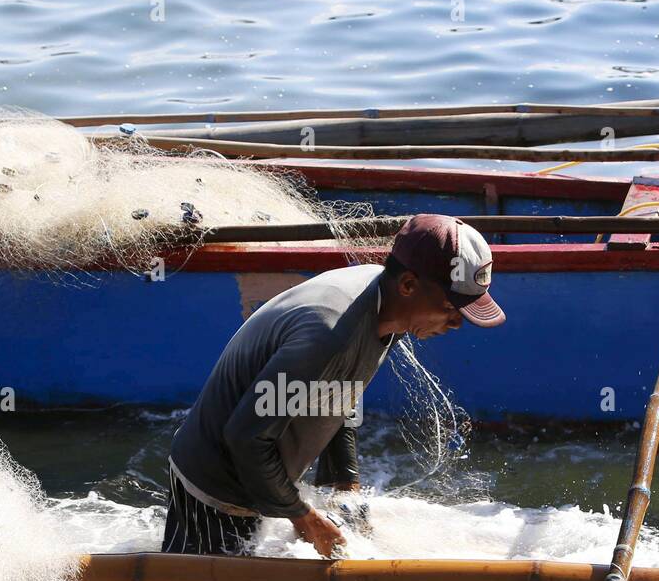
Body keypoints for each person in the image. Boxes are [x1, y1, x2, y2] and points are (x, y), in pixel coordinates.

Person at [162, 213, 505, 557]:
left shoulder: (387, 307)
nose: (458, 323)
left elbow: (336, 393)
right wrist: (305, 517)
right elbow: (246, 438)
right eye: (450, 307)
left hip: (256, 479)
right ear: (408, 285)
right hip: (214, 489)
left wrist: (345, 484)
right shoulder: (330, 334)